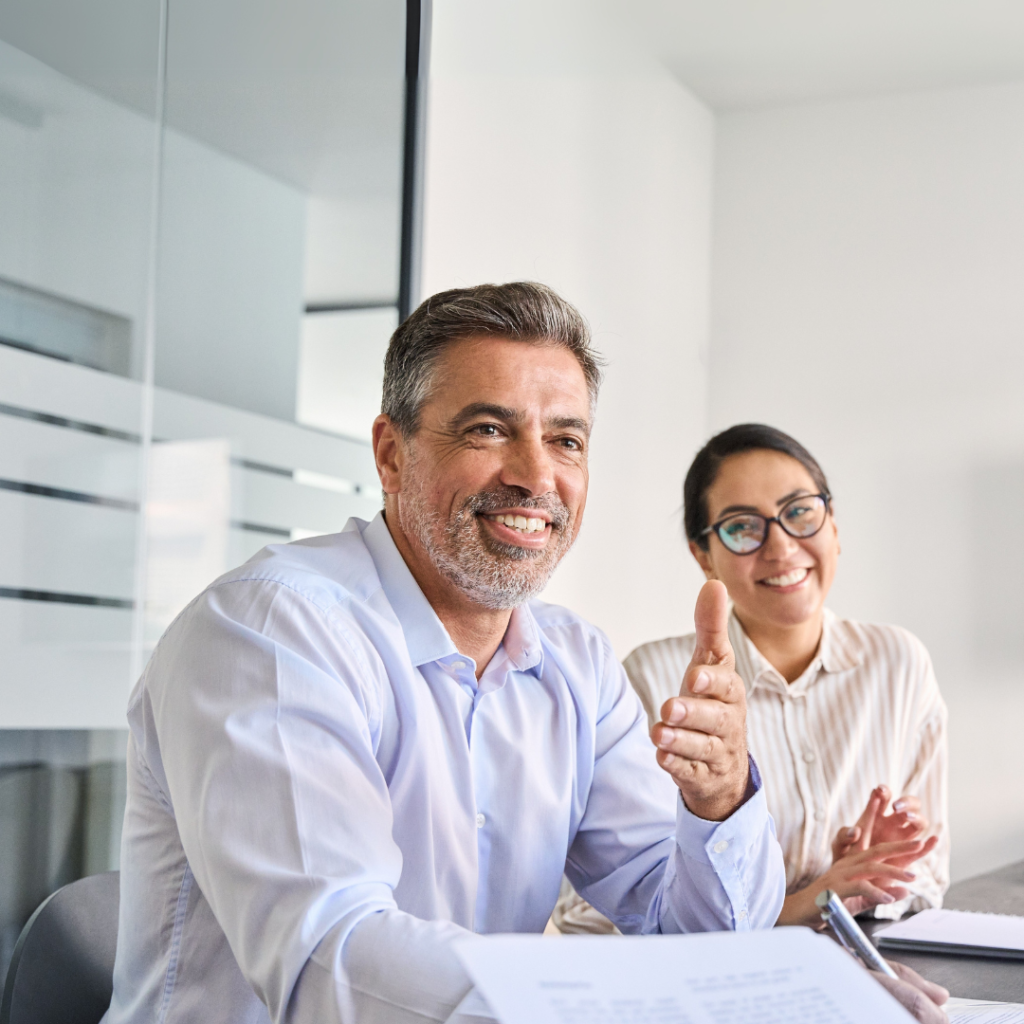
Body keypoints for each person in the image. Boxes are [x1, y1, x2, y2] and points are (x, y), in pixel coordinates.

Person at [101, 284, 788, 1024]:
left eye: (566, 440)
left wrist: (716, 804)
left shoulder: (577, 664)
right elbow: (333, 965)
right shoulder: (270, 632)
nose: (535, 475)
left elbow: (704, 939)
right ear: (391, 455)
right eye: (490, 430)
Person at [628, 424, 949, 928]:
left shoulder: (899, 663)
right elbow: (605, 915)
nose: (780, 547)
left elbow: (929, 875)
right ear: (703, 555)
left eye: (800, 512)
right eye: (742, 526)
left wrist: (880, 874)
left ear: (834, 526)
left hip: (866, 970)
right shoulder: (653, 681)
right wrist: (819, 900)